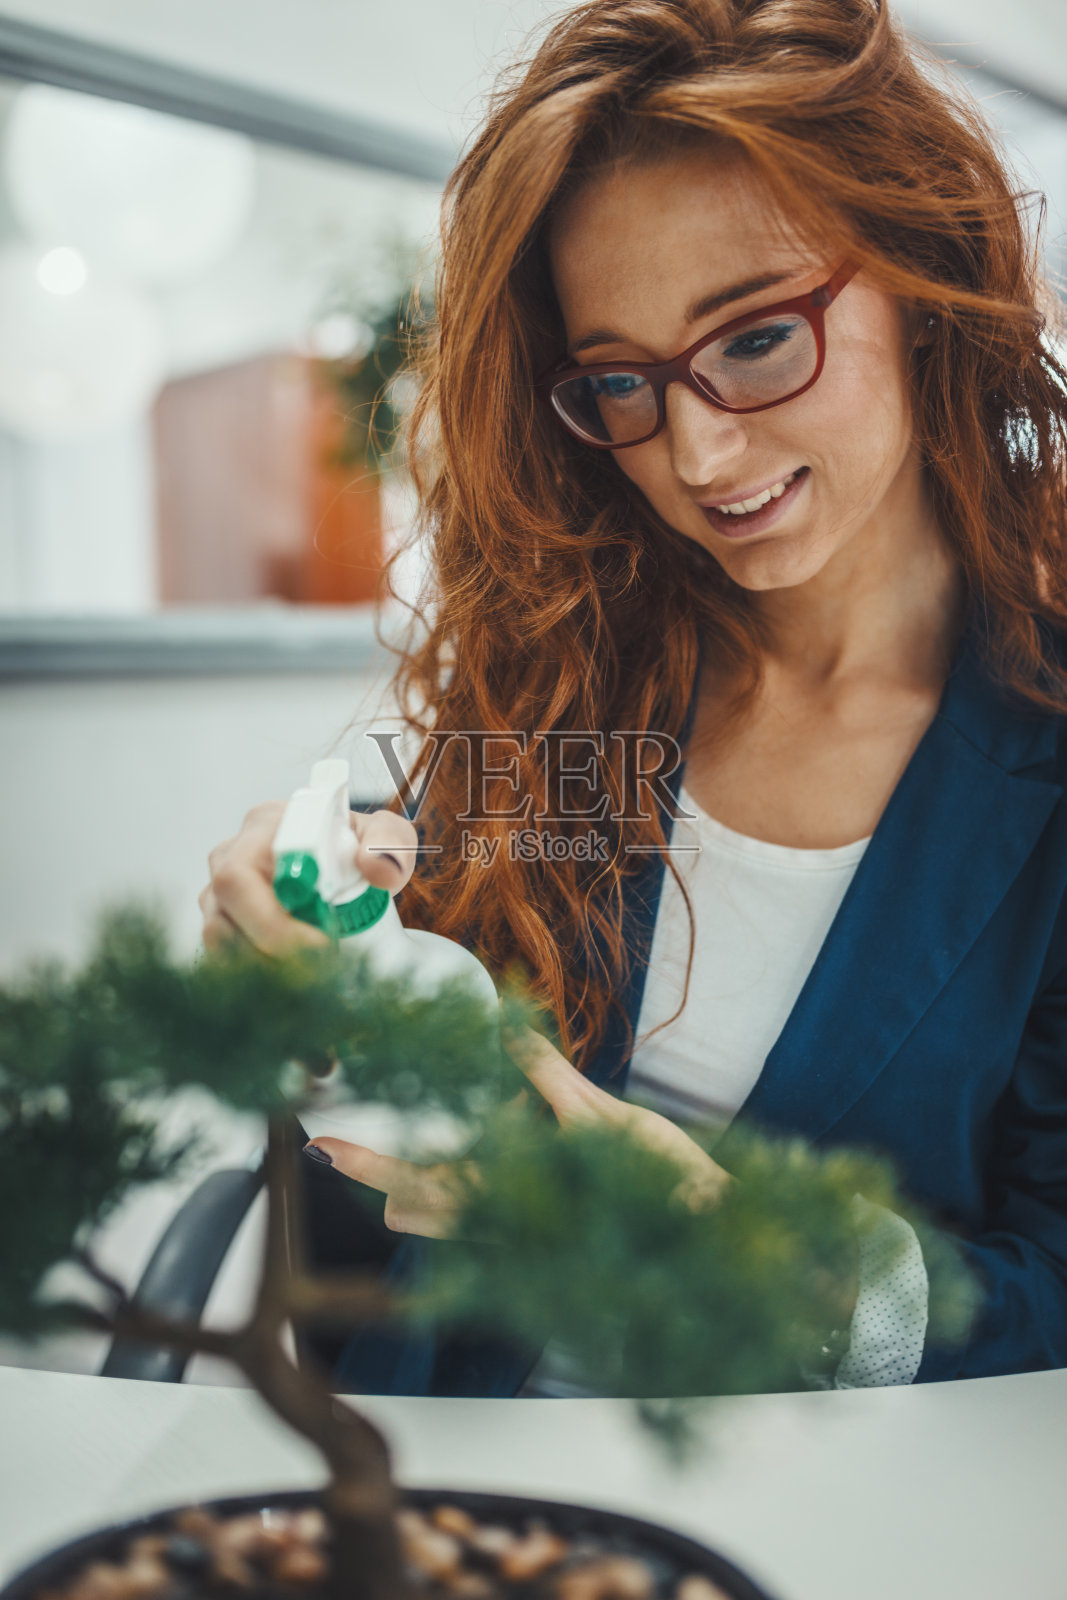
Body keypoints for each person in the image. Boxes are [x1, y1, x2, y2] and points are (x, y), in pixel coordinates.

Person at [200, 0, 1067, 1394]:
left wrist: (775, 1269)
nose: (697, 451)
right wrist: (317, 988)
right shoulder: (572, 674)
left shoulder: (1045, 756)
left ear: (923, 275)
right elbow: (382, 1183)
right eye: (619, 381)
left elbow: (1057, 1284)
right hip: (468, 1471)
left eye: (758, 338)